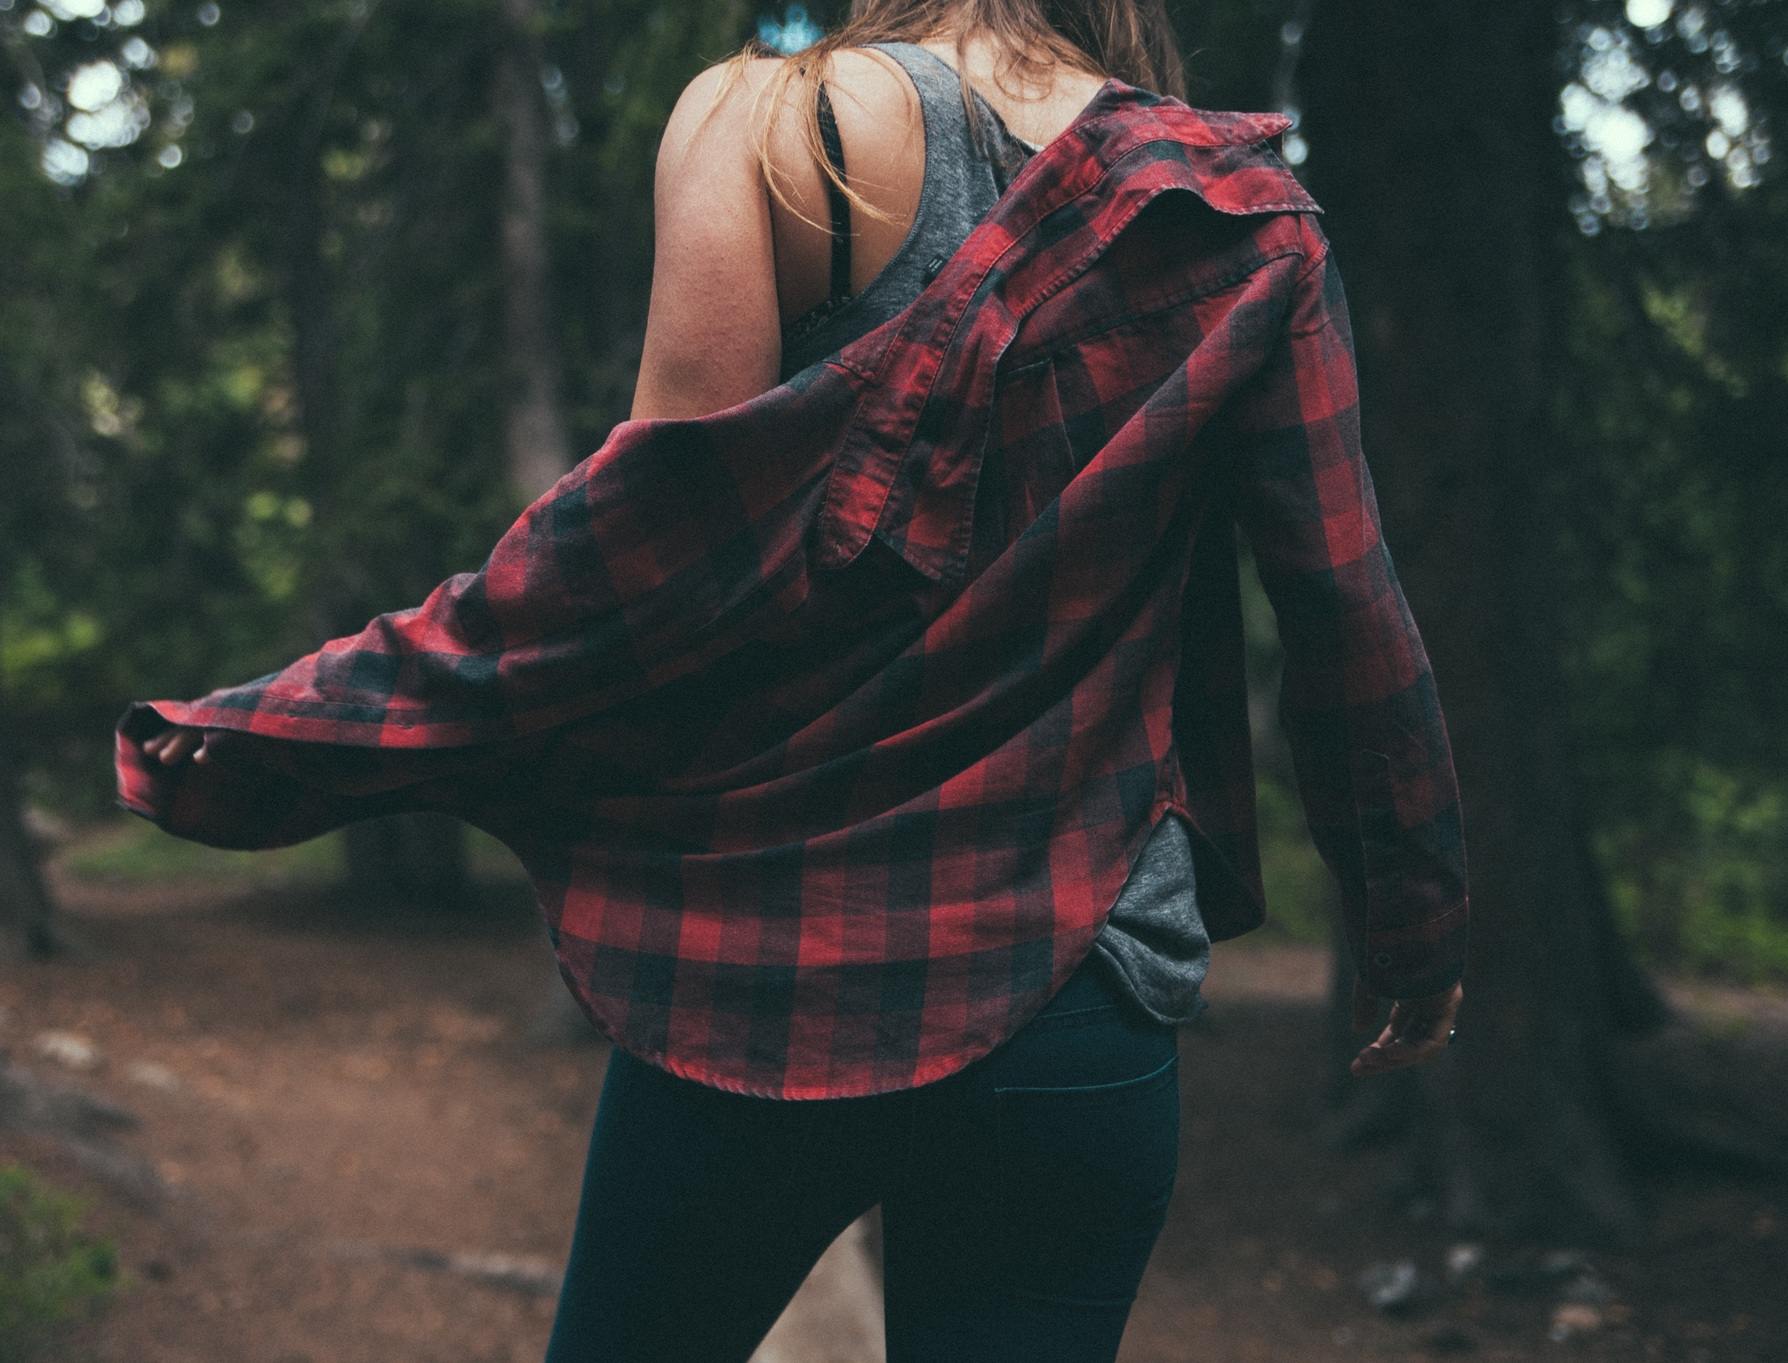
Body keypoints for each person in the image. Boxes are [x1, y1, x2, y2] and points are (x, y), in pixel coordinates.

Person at [128, 3, 1468, 1359]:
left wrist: (303, 724)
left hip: (768, 964)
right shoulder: (1246, 219)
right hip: (1083, 980)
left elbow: (636, 575)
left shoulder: (776, 124)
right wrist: (1411, 921)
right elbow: (1345, 603)